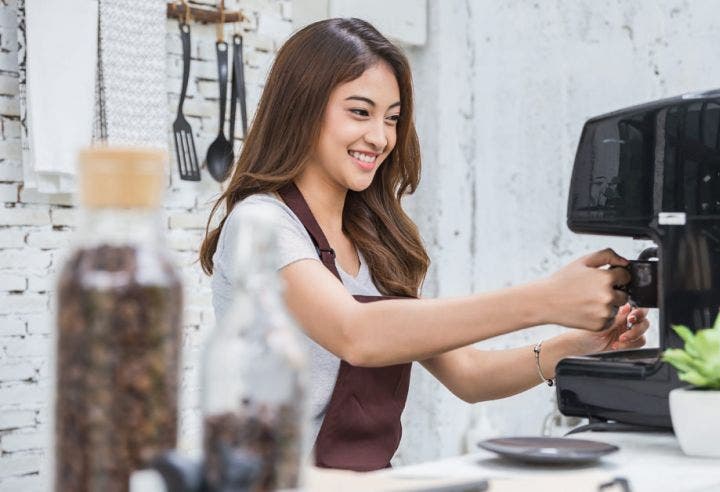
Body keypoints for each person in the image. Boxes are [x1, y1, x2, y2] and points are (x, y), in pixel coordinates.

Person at [199, 18, 649, 471]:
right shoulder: (262, 224)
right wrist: (546, 299)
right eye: (360, 112)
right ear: (303, 108)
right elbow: (357, 335)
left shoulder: (373, 245)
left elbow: (469, 375)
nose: (380, 138)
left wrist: (574, 347)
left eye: (392, 118)